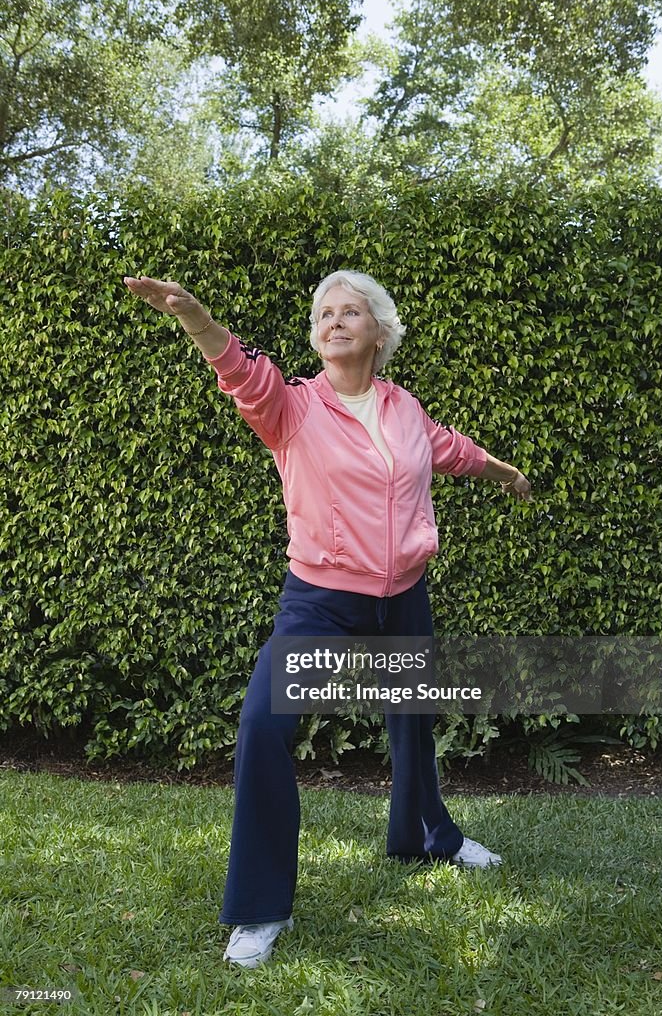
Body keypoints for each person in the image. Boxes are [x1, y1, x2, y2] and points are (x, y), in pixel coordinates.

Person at [123, 270, 532, 969]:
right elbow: (241, 373)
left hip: (403, 596)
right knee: (261, 726)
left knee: (412, 724)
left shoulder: (405, 409)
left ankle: (425, 835)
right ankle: (258, 909)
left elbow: (452, 451)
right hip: (323, 601)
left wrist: (506, 474)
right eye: (323, 312)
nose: (333, 320)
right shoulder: (293, 408)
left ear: (379, 332)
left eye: (350, 311)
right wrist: (195, 318)